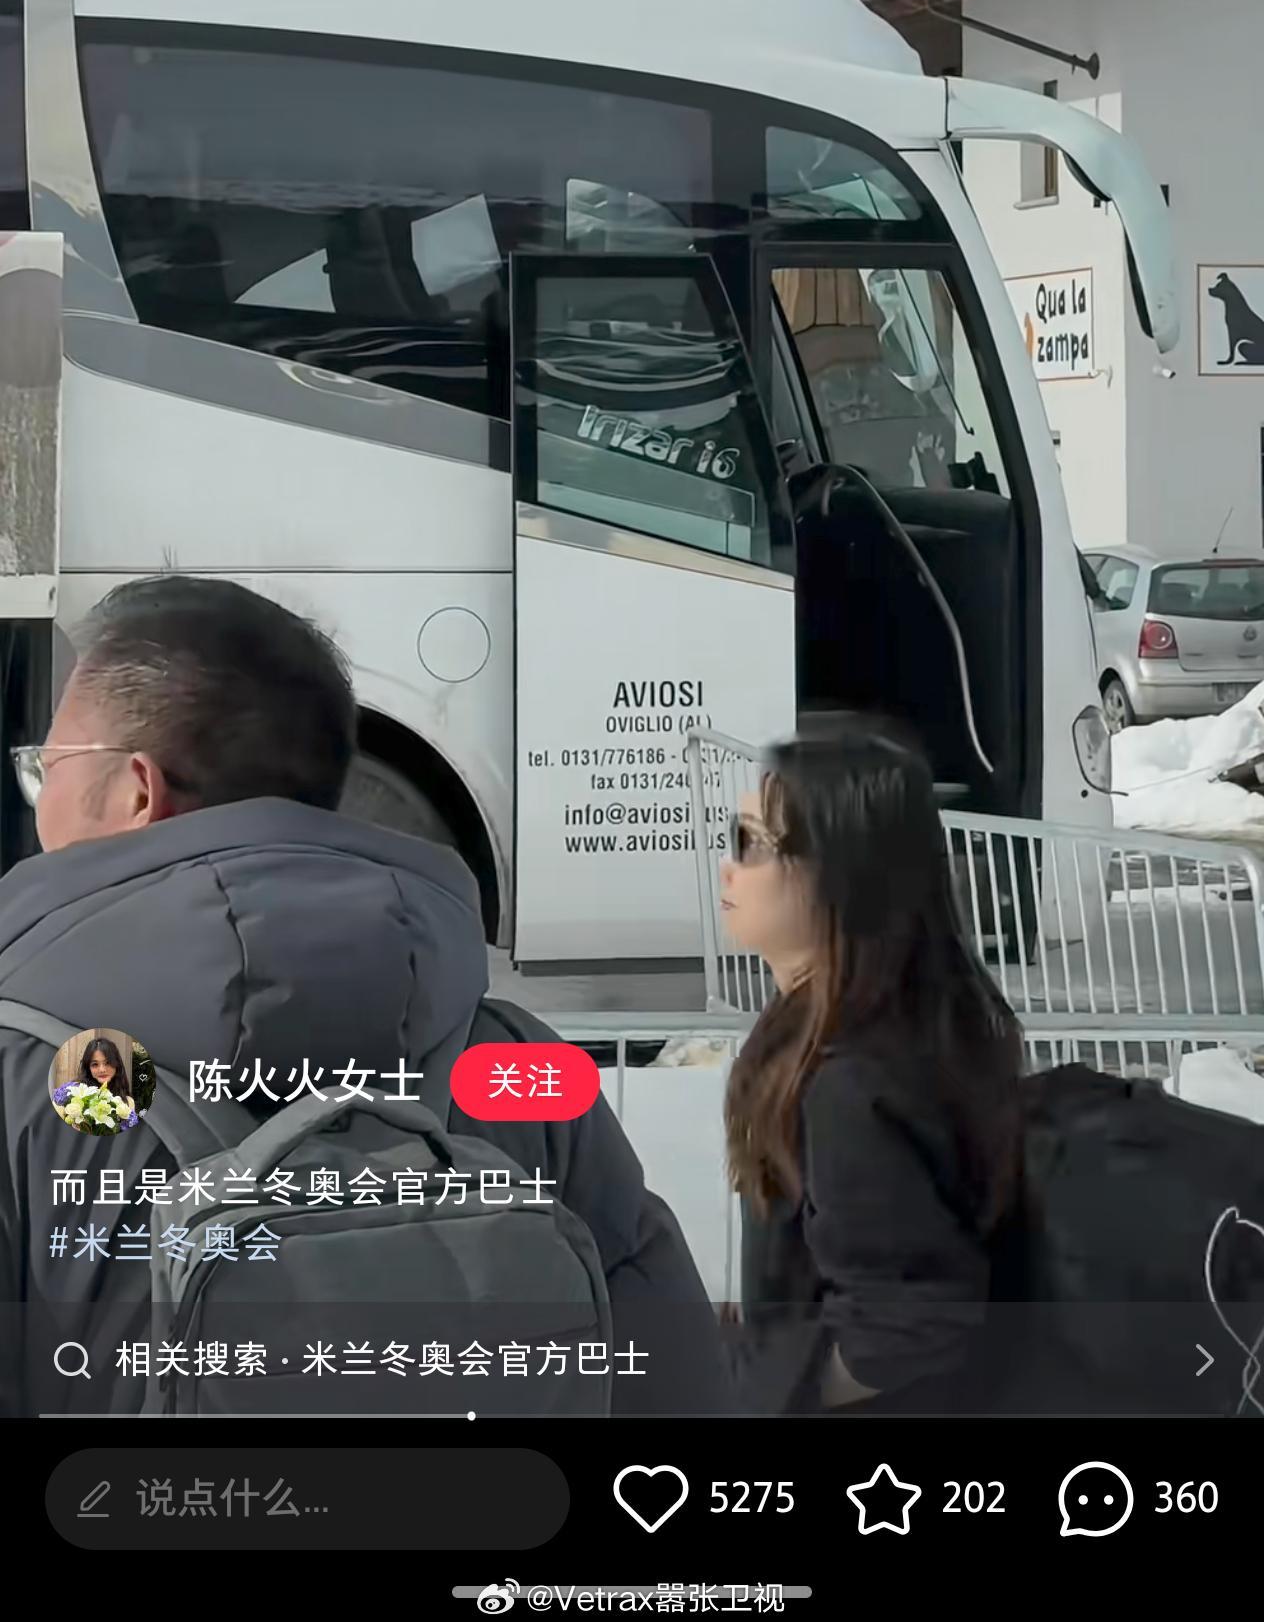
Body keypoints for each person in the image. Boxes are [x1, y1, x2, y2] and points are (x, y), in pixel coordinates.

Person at [0, 574, 729, 1417]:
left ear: (136, 789)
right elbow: (669, 1373)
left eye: (47, 766)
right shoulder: (514, 1060)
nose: (38, 794)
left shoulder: (22, 1079)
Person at [720, 716, 1025, 1415]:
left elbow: (903, 1330)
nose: (729, 866)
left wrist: (765, 1392)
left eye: (753, 843)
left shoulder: (852, 1085)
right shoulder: (862, 1029)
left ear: (836, 873)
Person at [78, 1037, 135, 1110]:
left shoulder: (128, 1103)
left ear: (117, 1064)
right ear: (88, 1068)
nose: (102, 1070)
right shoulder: (75, 1098)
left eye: (107, 1063)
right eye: (95, 1064)